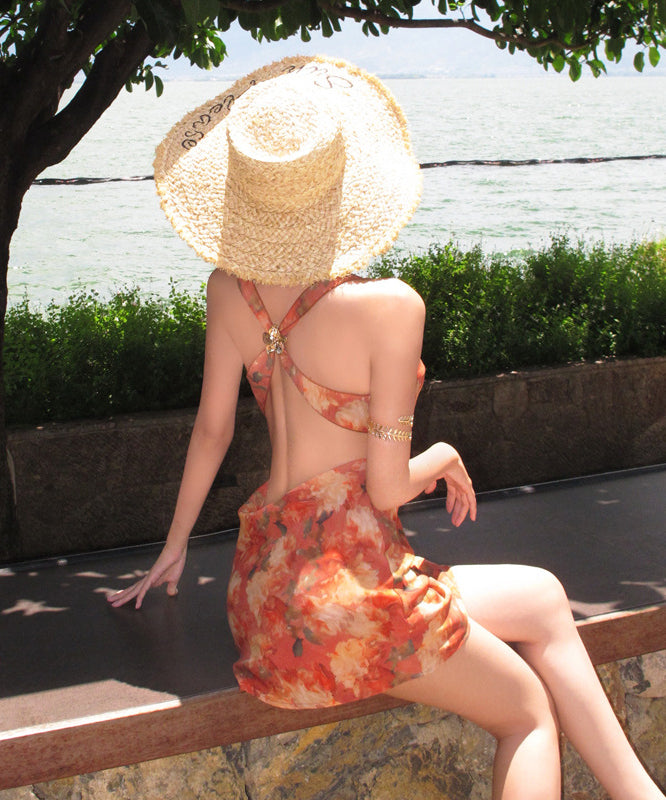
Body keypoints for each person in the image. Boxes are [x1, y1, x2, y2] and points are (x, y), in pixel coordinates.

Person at [109, 55, 663, 799]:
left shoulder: (228, 290)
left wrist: (173, 548)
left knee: (540, 597)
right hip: (352, 595)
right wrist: (445, 454)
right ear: (340, 184)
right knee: (527, 714)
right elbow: (386, 488)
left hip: (266, 597)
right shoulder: (390, 308)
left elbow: (211, 432)